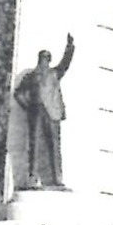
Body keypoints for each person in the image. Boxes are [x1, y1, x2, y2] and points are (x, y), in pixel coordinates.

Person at [14, 33, 75, 188]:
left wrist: (70, 47)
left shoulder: (54, 73)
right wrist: (27, 106)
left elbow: (65, 63)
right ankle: (33, 178)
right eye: (42, 59)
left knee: (54, 146)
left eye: (47, 59)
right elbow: (18, 94)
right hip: (36, 113)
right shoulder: (31, 76)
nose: (44, 62)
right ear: (39, 59)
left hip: (52, 114)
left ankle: (57, 178)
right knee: (34, 146)